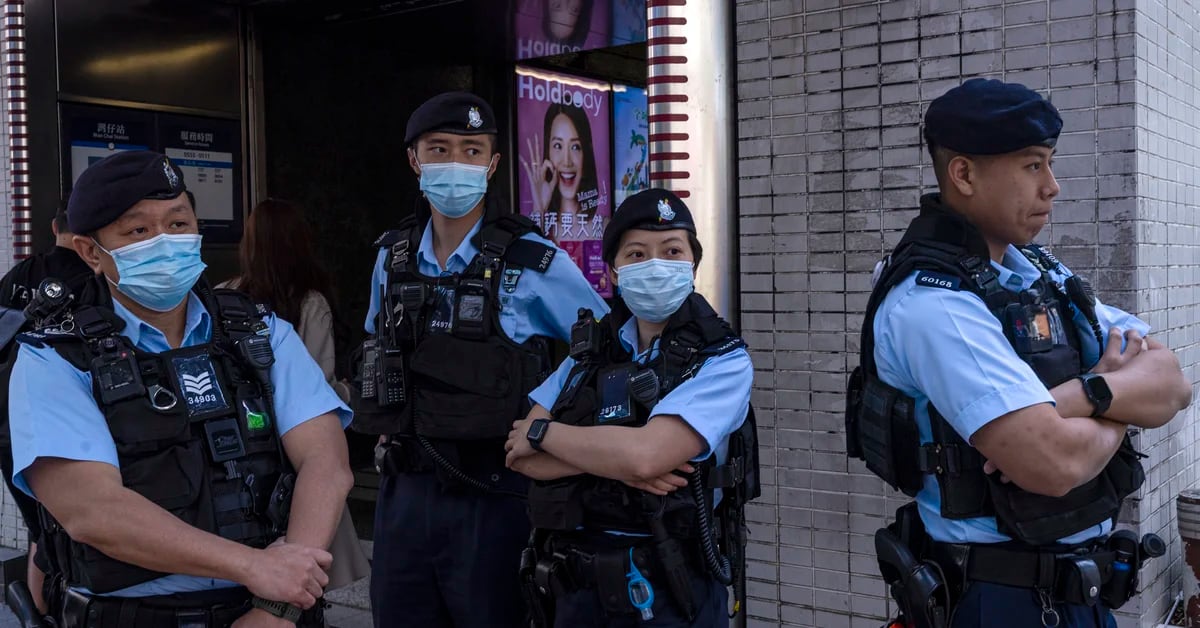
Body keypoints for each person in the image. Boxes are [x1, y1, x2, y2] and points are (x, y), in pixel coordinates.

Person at [845, 78, 1192, 628]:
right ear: (964, 173)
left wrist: (1087, 394)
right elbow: (1054, 465)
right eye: (1033, 166)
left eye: (1050, 164)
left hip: (1079, 593)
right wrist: (1122, 406)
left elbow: (1172, 381)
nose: (1052, 187)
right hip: (1004, 598)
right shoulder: (933, 304)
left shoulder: (1039, 273)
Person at [9, 150, 354, 628]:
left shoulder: (258, 331)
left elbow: (327, 463)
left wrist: (276, 608)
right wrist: (254, 568)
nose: (164, 242)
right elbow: (94, 511)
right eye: (138, 232)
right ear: (91, 252)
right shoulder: (55, 355)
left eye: (177, 223)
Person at [355, 91, 609, 628]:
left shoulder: (530, 260)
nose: (455, 163)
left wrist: (548, 419)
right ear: (414, 160)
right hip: (405, 491)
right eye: (439, 149)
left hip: (494, 493)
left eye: (471, 151)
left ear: (492, 165)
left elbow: (607, 349)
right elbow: (378, 348)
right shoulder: (391, 257)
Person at [504, 188, 759, 628]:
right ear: (616, 273)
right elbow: (519, 457)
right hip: (578, 586)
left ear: (692, 264)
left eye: (671, 251)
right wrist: (619, 463)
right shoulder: (588, 352)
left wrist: (548, 436)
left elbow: (645, 456)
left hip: (670, 588)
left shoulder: (723, 359)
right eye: (637, 253)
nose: (655, 264)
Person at [221, 198, 369, 592]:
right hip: (294, 453)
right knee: (307, 560)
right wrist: (351, 392)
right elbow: (317, 387)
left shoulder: (223, 296)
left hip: (237, 449)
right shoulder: (310, 303)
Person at [0, 204, 94, 615]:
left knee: (41, 527)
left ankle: (36, 615)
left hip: (8, 420)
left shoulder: (17, 276)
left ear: (53, 226)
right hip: (68, 422)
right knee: (69, 526)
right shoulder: (95, 278)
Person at [521, 103, 600, 243]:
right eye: (558, 146)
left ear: (585, 153)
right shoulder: (541, 224)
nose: (567, 161)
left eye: (575, 147)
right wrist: (539, 209)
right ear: (548, 152)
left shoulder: (602, 227)